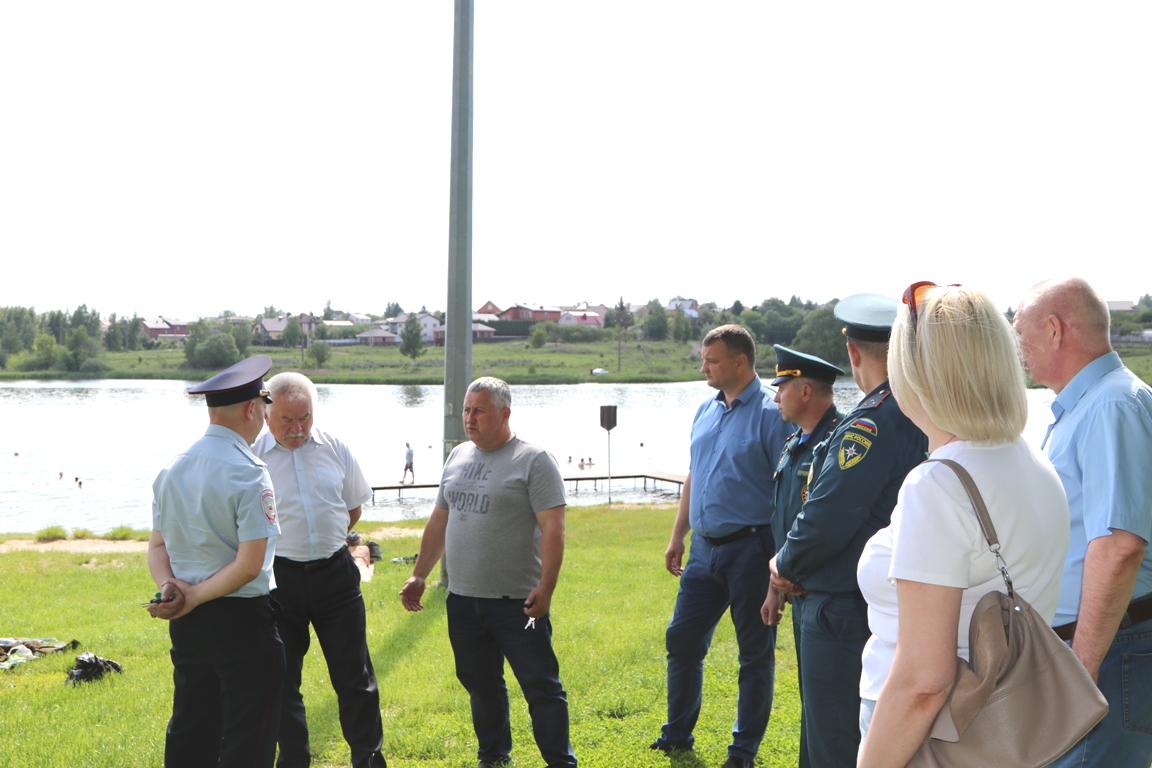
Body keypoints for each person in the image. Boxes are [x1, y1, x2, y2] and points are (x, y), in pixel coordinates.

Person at [855, 283, 1070, 767]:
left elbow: (922, 683)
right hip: (1005, 726)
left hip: (933, 735)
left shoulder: (937, 486)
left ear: (915, 374)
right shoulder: (1033, 462)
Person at [769, 295, 927, 768]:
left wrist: (783, 566)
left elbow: (825, 517)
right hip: (876, 599)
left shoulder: (873, 420)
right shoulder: (916, 408)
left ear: (854, 354)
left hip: (839, 607)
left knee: (833, 739)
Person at [399, 377, 577, 768]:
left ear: (504, 413)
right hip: (462, 601)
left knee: (541, 686)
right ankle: (493, 756)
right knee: (481, 686)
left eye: (479, 410)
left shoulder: (533, 460)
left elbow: (554, 529)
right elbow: (439, 519)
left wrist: (546, 588)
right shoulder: (459, 455)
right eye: (466, 409)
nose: (469, 418)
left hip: (520, 604)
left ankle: (560, 762)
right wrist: (420, 574)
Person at [1014, 277, 1152, 768]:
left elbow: (1119, 546)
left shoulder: (1111, 406)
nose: (1018, 349)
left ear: (1053, 329)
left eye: (1020, 333)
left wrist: (1081, 669)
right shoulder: (1092, 405)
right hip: (1097, 643)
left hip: (1108, 647)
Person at [652, 325, 788, 768]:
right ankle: (677, 735)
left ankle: (743, 751)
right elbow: (695, 473)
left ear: (740, 362)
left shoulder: (773, 412)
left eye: (711, 360)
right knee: (682, 640)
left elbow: (786, 492)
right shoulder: (704, 411)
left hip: (752, 550)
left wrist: (779, 568)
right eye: (704, 359)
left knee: (754, 654)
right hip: (704, 553)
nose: (703, 367)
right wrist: (679, 535)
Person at [146, 355, 286, 768]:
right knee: (250, 738)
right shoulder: (250, 472)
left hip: (188, 625)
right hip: (241, 621)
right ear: (251, 409)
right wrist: (191, 597)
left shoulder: (172, 468)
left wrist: (171, 588)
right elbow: (249, 566)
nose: (264, 414)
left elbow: (157, 547)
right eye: (265, 404)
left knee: (191, 729)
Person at [251, 372, 387, 768]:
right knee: (283, 680)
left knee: (355, 678)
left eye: (304, 418)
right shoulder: (252, 457)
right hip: (280, 579)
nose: (296, 430)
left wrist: (324, 540)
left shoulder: (336, 448)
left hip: (335, 575)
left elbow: (353, 507)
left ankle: (368, 759)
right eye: (286, 421)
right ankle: (294, 761)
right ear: (265, 415)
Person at [760, 345, 844, 642]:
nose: (775, 398)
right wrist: (775, 587)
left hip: (830, 594)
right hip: (795, 588)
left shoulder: (842, 443)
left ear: (806, 392)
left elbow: (837, 523)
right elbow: (784, 520)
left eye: (781, 389)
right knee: (808, 688)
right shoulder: (794, 443)